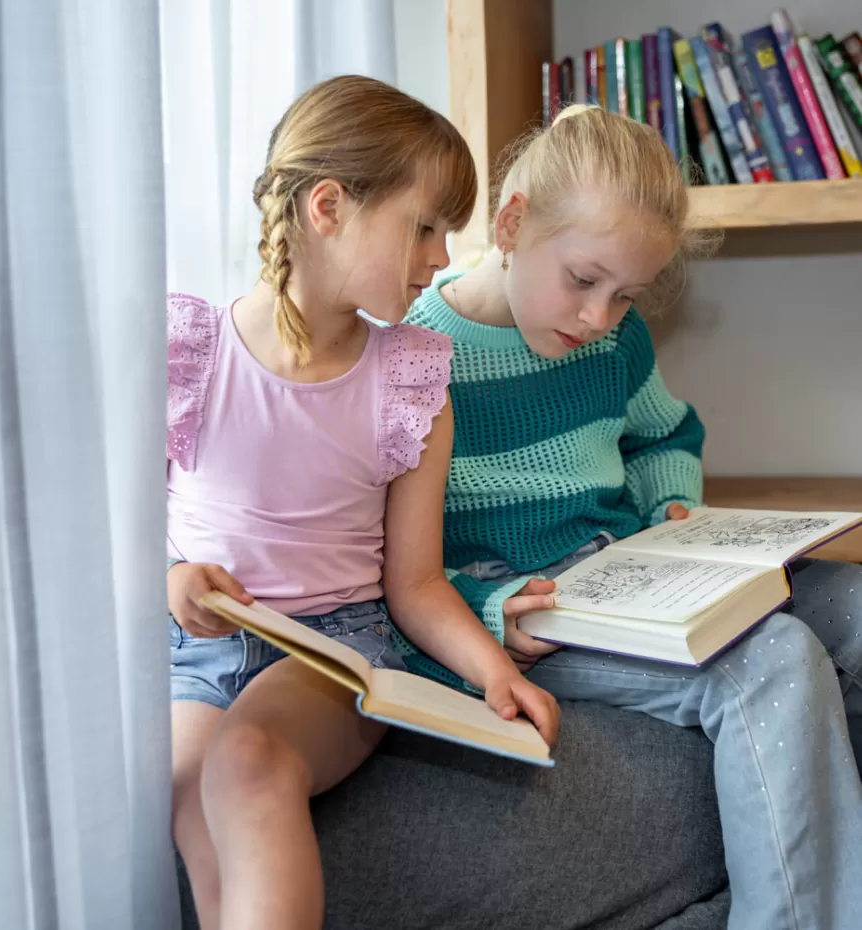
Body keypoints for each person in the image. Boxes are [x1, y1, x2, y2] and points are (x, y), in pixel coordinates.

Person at [404, 104, 862, 930]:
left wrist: (673, 504)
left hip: (641, 570)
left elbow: (665, 433)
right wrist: (487, 620)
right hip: (538, 616)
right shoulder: (412, 355)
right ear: (511, 223)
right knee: (773, 660)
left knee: (856, 606)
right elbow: (389, 565)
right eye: (583, 281)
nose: (597, 319)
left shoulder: (616, 343)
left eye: (626, 296)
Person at [166, 75, 560, 930]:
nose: (442, 257)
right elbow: (112, 536)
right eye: (424, 227)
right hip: (194, 657)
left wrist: (489, 668)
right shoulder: (189, 351)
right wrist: (172, 579)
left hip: (332, 652)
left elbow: (413, 584)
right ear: (328, 206)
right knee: (191, 802)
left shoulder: (411, 376)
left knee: (248, 762)